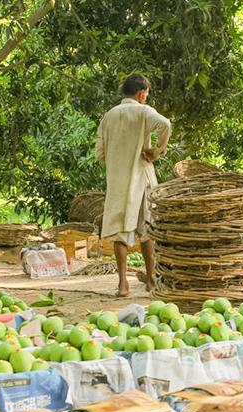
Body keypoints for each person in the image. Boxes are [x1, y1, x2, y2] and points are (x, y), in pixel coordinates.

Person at [95, 74, 172, 297]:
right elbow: (165, 124)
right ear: (141, 93)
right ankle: (150, 279)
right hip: (142, 177)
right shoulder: (144, 112)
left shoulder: (108, 116)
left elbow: (100, 153)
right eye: (146, 94)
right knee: (147, 228)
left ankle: (122, 285)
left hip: (118, 180)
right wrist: (157, 151)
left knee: (119, 230)